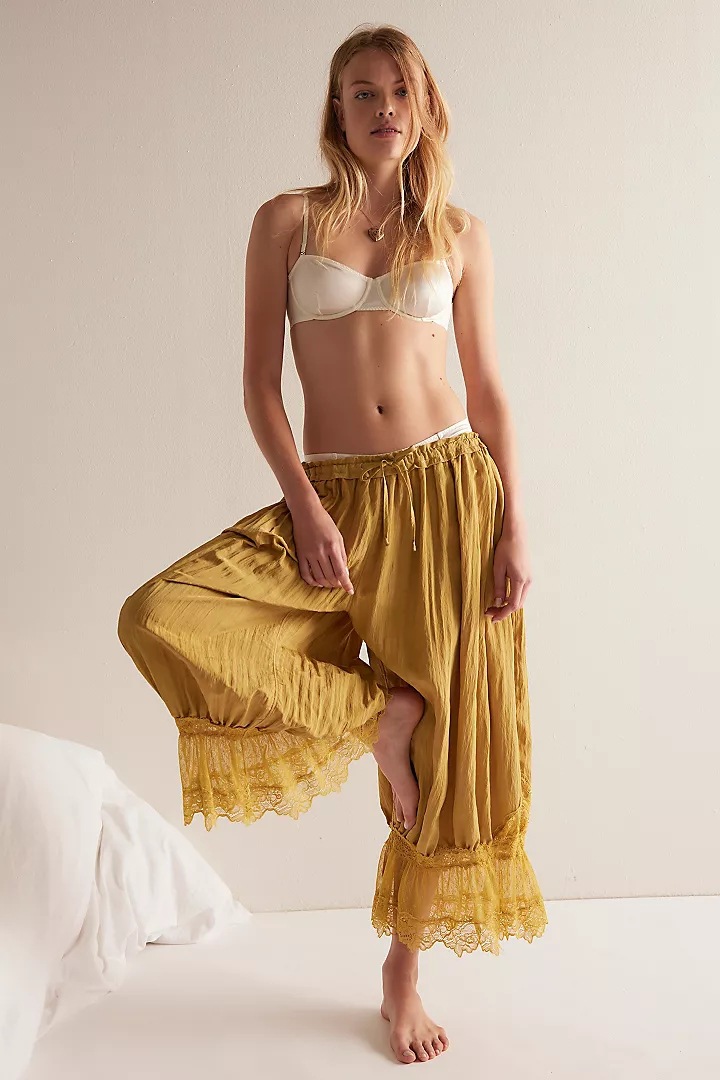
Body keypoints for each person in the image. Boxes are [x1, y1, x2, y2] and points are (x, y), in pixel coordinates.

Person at [117, 23, 548, 1066]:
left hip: (451, 494)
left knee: (455, 750)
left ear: (424, 106)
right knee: (160, 615)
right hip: (336, 499)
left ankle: (402, 973)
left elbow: (488, 389)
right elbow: (260, 386)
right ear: (336, 110)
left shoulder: (461, 233)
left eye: (399, 90)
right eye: (362, 92)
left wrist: (516, 521)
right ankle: (375, 718)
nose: (382, 108)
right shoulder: (285, 221)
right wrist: (304, 507)